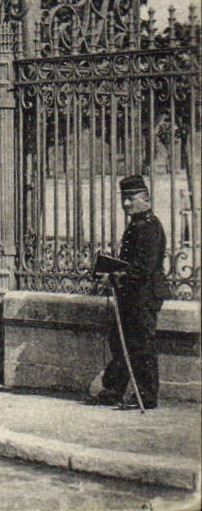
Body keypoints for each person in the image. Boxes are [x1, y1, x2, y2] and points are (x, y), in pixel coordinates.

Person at [89, 174, 169, 409]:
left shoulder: (150, 227)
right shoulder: (136, 224)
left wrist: (114, 275)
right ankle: (114, 390)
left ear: (145, 199)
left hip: (145, 295)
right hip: (131, 294)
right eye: (124, 199)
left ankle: (146, 396)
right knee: (120, 342)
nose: (125, 204)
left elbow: (143, 269)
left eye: (130, 198)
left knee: (141, 345)